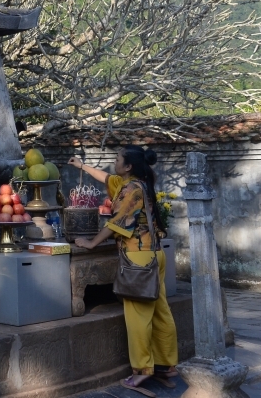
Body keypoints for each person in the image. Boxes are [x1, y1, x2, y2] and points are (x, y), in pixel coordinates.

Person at [68, 147, 178, 394]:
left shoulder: (131, 190)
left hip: (138, 258)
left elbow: (118, 223)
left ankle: (142, 371)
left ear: (128, 166)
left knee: (137, 316)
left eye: (117, 160)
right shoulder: (135, 183)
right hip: (154, 254)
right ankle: (167, 365)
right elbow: (106, 178)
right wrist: (81, 166)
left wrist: (92, 242)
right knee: (160, 311)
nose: (113, 163)